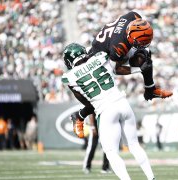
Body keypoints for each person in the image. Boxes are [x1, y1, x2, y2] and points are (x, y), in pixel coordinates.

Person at [62, 43, 156, 180]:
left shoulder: (69, 77)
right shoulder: (100, 57)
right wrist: (137, 68)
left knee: (111, 152)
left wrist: (81, 115)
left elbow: (89, 104)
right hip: (122, 103)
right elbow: (119, 64)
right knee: (134, 145)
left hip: (106, 110)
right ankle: (151, 177)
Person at [88, 11, 172, 101]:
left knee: (145, 56)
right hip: (99, 60)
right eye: (141, 43)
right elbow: (115, 69)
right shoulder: (119, 46)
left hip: (113, 43)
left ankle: (150, 90)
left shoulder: (133, 16)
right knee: (143, 62)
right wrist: (139, 69)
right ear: (132, 38)